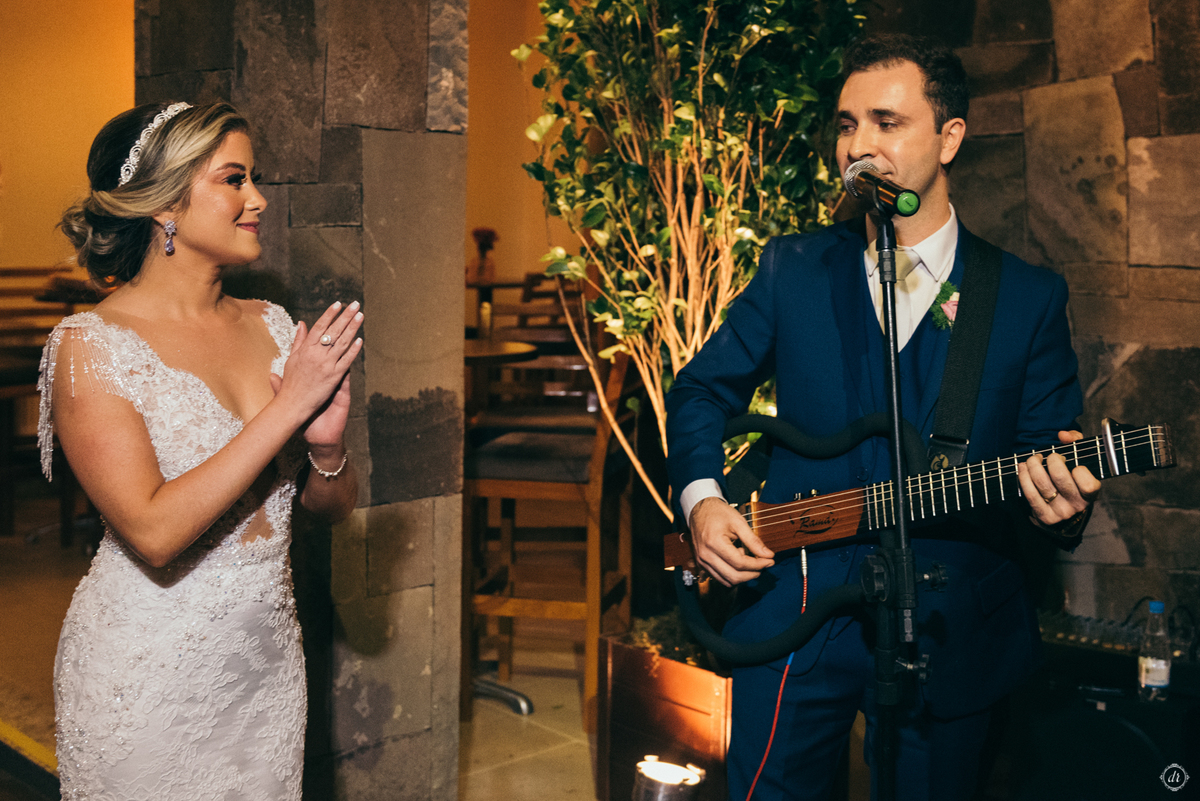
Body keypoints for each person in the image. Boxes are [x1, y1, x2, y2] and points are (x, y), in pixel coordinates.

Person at [665, 35, 1101, 800]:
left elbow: (1046, 463)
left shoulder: (1027, 296)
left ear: (950, 137)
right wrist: (702, 502)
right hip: (795, 604)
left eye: (886, 123)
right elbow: (700, 389)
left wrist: (1063, 510)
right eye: (845, 124)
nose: (858, 146)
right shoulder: (793, 268)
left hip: (948, 625)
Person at [38, 101, 362, 799]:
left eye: (255, 178)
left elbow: (327, 509)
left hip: (267, 671)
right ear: (165, 207)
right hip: (146, 680)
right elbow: (153, 531)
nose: (260, 199)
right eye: (234, 179)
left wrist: (328, 450)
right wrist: (287, 411)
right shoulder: (89, 348)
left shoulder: (272, 324)